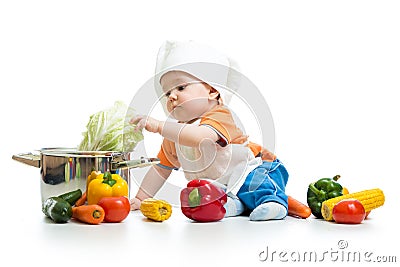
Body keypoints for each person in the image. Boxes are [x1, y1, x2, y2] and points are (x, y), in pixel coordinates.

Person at [130, 40, 289, 221]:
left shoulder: (219, 115)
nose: (172, 96)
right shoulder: (174, 134)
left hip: (257, 167)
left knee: (256, 184)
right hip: (224, 184)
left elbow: (200, 137)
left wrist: (159, 126)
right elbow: (161, 168)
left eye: (181, 87)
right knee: (210, 196)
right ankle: (234, 204)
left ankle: (272, 202)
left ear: (212, 91)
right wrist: (141, 197)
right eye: (167, 93)